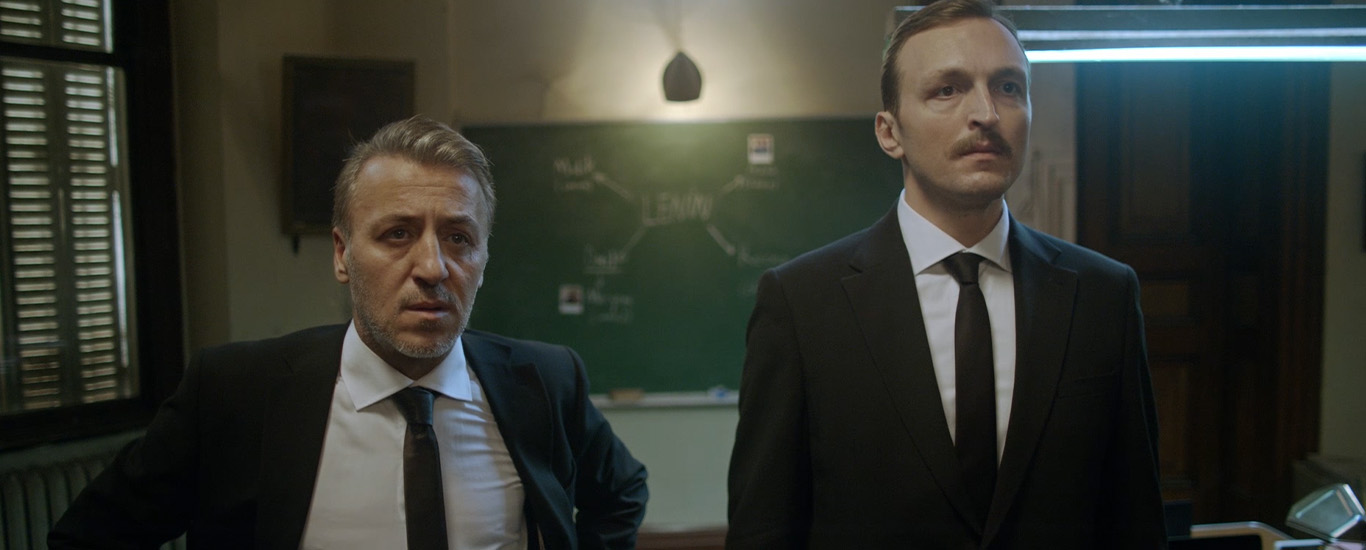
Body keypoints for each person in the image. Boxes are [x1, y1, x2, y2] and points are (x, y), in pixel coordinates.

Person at [50, 116, 649, 550]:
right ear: (342, 254)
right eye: (397, 234)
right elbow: (89, 536)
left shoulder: (543, 382)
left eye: (459, 238)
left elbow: (621, 492)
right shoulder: (236, 394)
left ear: (484, 257)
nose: (433, 267)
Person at [725, 0, 1166, 548]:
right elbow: (764, 528)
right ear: (890, 132)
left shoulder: (1103, 295)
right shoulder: (802, 304)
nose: (986, 113)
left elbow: (1135, 520)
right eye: (947, 90)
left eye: (1008, 87)